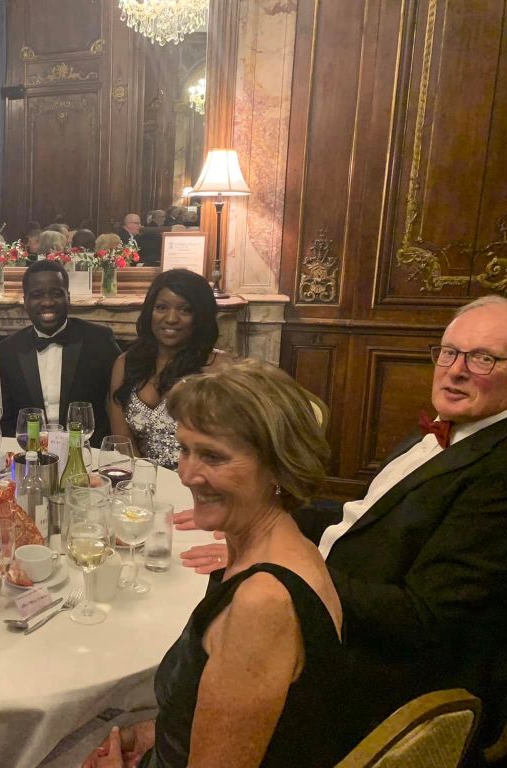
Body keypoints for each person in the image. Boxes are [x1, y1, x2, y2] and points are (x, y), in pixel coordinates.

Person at [177, 295, 507, 752]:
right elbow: (368, 513)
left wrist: (289, 569)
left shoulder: (497, 471)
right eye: (449, 352)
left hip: (378, 676)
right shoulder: (447, 427)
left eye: (483, 358)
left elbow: (423, 622)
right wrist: (259, 516)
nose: (456, 370)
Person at [84, 359, 346, 768]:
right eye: (185, 449)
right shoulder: (280, 543)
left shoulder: (263, 604)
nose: (187, 474)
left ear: (277, 466)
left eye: (213, 457)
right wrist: (158, 731)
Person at [108, 270, 229, 469]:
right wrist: (145, 481)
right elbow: (122, 442)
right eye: (161, 307)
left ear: (200, 316)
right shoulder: (125, 363)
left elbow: (226, 448)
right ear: (150, 311)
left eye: (185, 310)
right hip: (139, 480)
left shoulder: (219, 369)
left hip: (197, 479)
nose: (171, 318)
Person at [0, 260, 120, 444]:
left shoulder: (99, 341)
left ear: (68, 298)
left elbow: (122, 399)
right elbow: (3, 419)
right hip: (29, 452)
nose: (47, 302)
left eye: (56, 294)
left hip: (87, 451)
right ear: (25, 301)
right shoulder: (7, 351)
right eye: (37, 295)